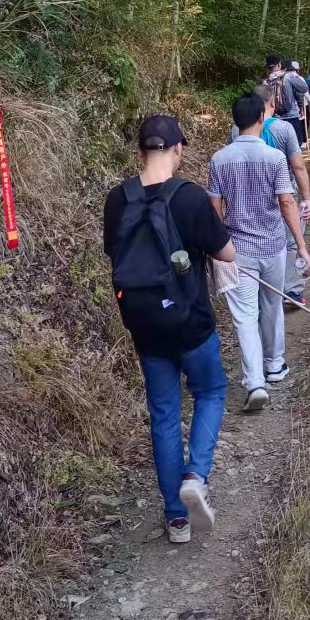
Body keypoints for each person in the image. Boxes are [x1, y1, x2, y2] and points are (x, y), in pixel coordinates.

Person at [103, 115, 235, 545]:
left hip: (144, 324)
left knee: (164, 412)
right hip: (190, 319)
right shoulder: (189, 197)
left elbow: (116, 255)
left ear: (140, 150)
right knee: (211, 391)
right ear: (178, 149)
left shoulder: (117, 200)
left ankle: (176, 519)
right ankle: (195, 474)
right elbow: (226, 253)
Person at [208, 94, 310, 411]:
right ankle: (275, 365)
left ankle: (255, 382)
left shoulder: (219, 159)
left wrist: (218, 247)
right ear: (260, 119)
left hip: (237, 251)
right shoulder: (274, 158)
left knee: (244, 317)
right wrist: (302, 246)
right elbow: (286, 202)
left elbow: (215, 208)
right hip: (273, 246)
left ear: (237, 122)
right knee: (272, 305)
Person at [234, 82, 310, 309]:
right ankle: (292, 291)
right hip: (283, 192)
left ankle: (261, 288)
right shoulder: (284, 128)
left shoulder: (236, 129)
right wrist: (306, 198)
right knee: (290, 242)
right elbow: (298, 167)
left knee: (258, 239)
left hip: (249, 194)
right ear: (273, 103)